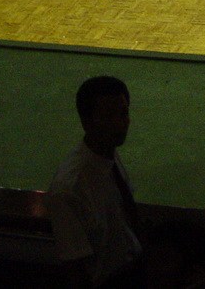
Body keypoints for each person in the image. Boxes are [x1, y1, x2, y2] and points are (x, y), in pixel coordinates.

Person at [46, 76, 143, 289]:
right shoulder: (68, 190)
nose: (120, 123)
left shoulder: (106, 154)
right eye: (108, 116)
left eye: (123, 113)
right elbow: (76, 272)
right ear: (86, 121)